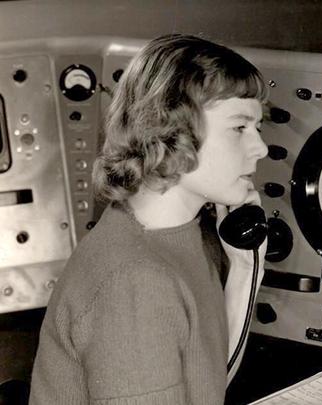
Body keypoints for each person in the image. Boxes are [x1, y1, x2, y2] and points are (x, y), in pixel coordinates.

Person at [29, 34, 269, 404]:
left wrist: (242, 269)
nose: (261, 147)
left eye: (259, 128)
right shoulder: (135, 283)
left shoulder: (185, 233)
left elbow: (205, 386)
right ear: (171, 130)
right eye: (239, 128)